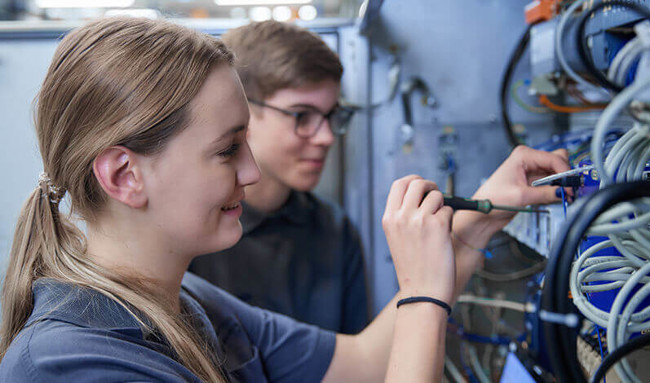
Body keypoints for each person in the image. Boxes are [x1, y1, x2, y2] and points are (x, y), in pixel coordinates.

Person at [0, 17, 570, 382]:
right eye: (227, 150)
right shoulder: (71, 367)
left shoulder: (190, 304)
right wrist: (422, 297)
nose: (250, 172)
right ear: (125, 175)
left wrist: (471, 230)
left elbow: (364, 366)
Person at [188, 20, 368, 334]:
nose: (326, 137)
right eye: (302, 115)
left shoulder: (335, 230)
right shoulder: (192, 233)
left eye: (330, 116)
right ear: (240, 111)